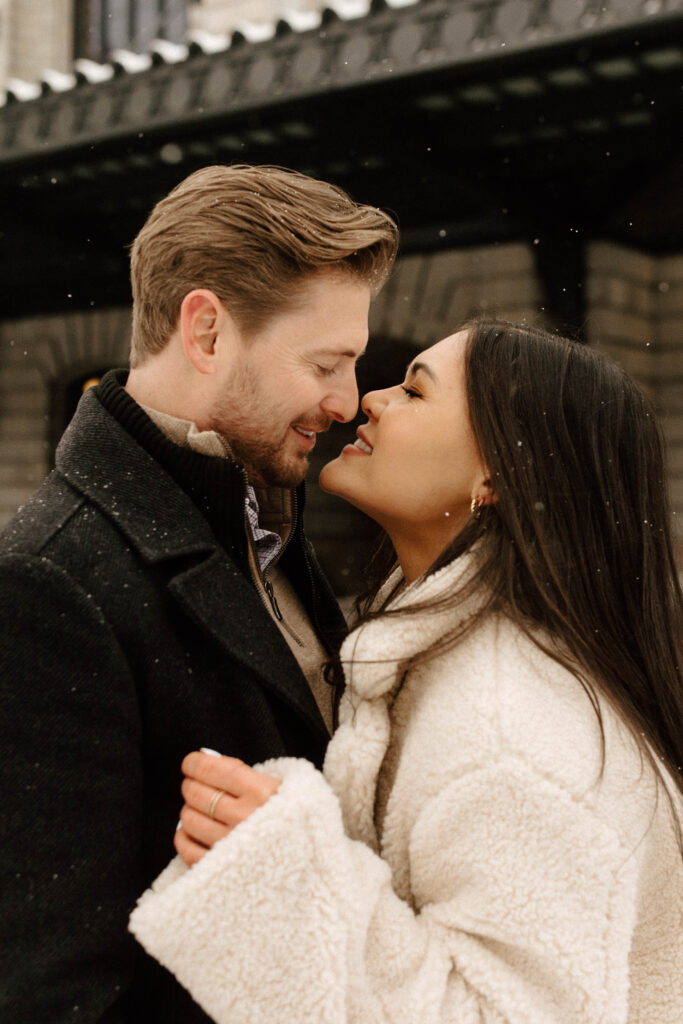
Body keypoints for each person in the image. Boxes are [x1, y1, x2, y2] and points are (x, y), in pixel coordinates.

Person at [131, 318, 683, 1024]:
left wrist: (287, 880)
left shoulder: (507, 728)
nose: (370, 399)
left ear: (495, 476)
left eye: (414, 393)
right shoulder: (460, 658)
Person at [0, 164, 398, 1023]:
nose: (347, 401)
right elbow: (53, 989)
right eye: (327, 362)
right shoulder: (46, 581)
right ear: (207, 330)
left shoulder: (261, 514)